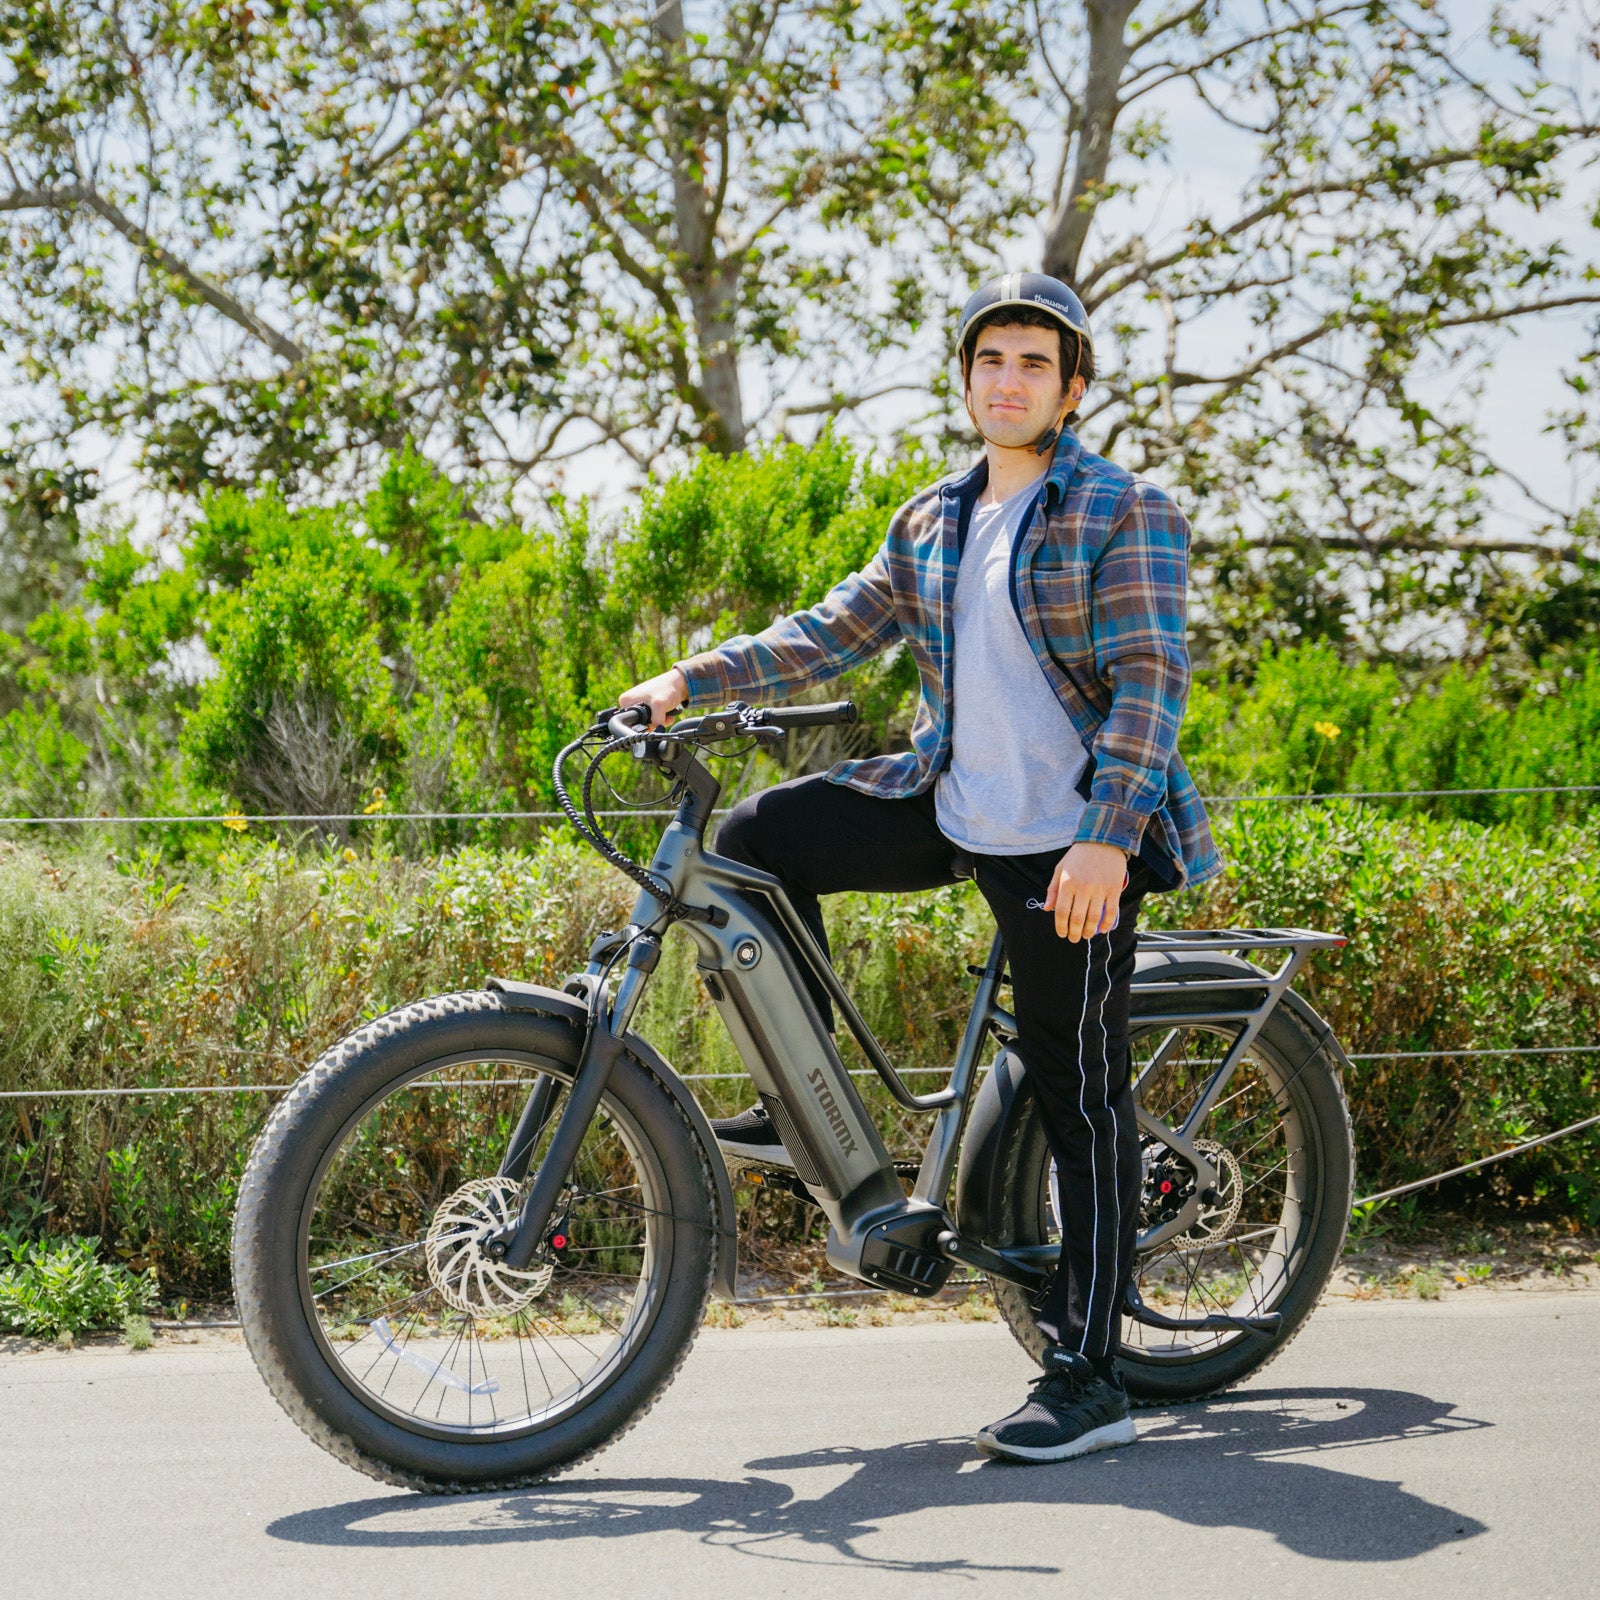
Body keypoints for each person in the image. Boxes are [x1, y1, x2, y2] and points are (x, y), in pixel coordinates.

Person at [619, 271, 1221, 1464]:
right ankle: (810, 1101)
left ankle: (1090, 1377)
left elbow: (1152, 679)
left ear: (1073, 387)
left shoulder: (1119, 508)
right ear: (965, 379)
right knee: (753, 843)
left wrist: (1107, 834)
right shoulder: (935, 516)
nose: (1007, 379)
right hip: (954, 808)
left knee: (1079, 1094)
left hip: (1074, 845)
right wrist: (691, 677)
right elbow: (830, 628)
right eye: (989, 359)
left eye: (1033, 364)